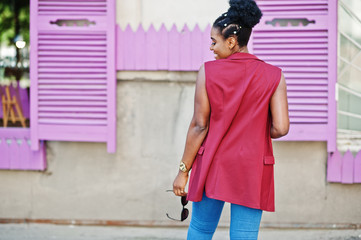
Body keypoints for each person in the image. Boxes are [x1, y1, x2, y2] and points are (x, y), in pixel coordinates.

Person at [172, 0, 289, 239]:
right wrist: (254, 127)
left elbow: (199, 125)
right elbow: (281, 127)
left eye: (214, 42)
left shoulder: (209, 71)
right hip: (253, 166)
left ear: (232, 42)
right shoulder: (274, 75)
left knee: (201, 229)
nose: (212, 48)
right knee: (244, 234)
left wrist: (183, 170)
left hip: (213, 161)